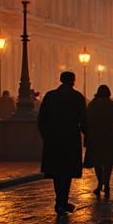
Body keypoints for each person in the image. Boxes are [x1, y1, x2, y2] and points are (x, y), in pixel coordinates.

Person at [37, 71, 87, 214]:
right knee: (67, 171)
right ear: (73, 81)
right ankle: (62, 201)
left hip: (53, 138)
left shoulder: (50, 96)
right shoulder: (77, 97)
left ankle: (60, 200)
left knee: (56, 171)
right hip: (70, 138)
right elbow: (83, 120)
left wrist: (45, 135)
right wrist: (87, 136)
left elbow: (42, 119)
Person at [84, 85, 113, 197]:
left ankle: (100, 183)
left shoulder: (92, 105)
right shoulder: (112, 105)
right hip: (108, 137)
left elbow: (86, 121)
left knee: (97, 162)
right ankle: (107, 184)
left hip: (95, 137)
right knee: (108, 163)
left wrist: (88, 135)